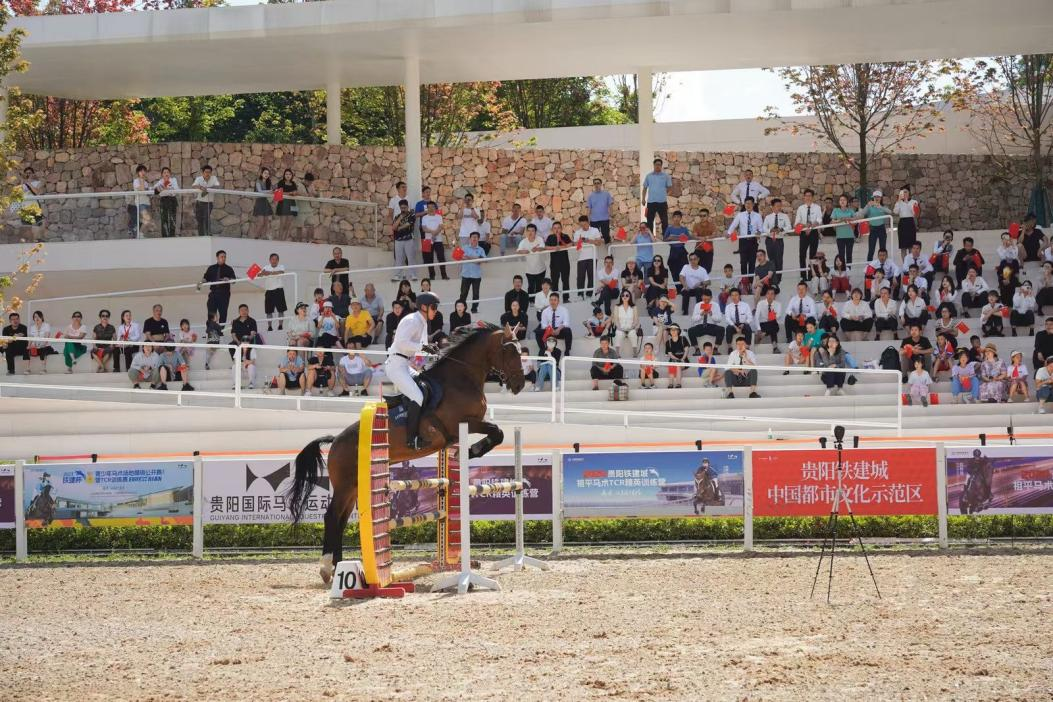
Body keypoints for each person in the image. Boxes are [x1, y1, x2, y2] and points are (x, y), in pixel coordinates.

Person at [384, 291, 441, 449]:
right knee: (417, 396)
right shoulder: (412, 320)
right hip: (396, 366)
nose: (436, 310)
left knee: (426, 387)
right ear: (423, 307)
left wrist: (432, 357)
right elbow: (402, 343)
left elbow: (419, 353)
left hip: (405, 365)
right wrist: (424, 347)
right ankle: (412, 439)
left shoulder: (422, 323)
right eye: (434, 307)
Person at [727, 197, 764, 275]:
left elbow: (761, 229)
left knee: (752, 262)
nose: (748, 205)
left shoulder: (758, 216)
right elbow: (734, 225)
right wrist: (729, 233)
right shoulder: (740, 215)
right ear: (744, 204)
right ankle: (744, 282)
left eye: (750, 203)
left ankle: (750, 282)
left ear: (753, 204)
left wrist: (759, 232)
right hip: (743, 241)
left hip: (753, 241)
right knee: (743, 262)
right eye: (746, 203)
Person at [200, 250, 236, 330]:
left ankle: (221, 329)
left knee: (223, 312)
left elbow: (234, 281)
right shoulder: (211, 268)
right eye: (222, 257)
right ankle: (211, 329)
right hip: (213, 293)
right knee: (211, 311)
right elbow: (206, 277)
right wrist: (203, 281)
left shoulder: (229, 269)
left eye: (225, 257)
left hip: (224, 294)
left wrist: (229, 279)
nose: (223, 258)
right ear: (217, 257)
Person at [857, 190, 892, 261]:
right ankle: (869, 266)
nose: (876, 198)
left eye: (878, 197)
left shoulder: (883, 206)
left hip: (882, 228)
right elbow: (861, 214)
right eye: (875, 196)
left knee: (883, 249)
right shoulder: (869, 206)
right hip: (873, 229)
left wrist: (879, 207)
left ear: (881, 198)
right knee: (871, 249)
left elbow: (890, 212)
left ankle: (884, 265)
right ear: (873, 197)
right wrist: (867, 205)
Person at [795, 189, 823, 276]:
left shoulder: (817, 207)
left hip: (814, 232)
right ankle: (803, 275)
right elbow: (797, 222)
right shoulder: (800, 208)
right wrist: (805, 226)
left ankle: (812, 274)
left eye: (810, 196)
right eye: (806, 196)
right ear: (804, 197)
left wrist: (810, 226)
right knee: (802, 255)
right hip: (803, 233)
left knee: (813, 254)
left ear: (813, 197)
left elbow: (819, 220)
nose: (808, 198)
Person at [573, 216, 603, 298]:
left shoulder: (595, 230)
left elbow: (599, 243)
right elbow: (575, 245)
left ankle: (589, 295)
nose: (583, 227)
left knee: (591, 276)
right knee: (580, 277)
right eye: (581, 225)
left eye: (584, 225)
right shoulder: (577, 232)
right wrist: (580, 241)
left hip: (593, 257)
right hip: (581, 257)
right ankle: (580, 295)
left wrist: (587, 240)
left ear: (588, 222)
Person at [257, 252, 288, 332]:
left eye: (276, 259)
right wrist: (264, 273)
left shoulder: (281, 266)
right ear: (270, 260)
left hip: (279, 290)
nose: (274, 261)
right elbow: (259, 274)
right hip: (269, 291)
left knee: (281, 310)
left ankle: (280, 325)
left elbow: (281, 272)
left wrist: (268, 273)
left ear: (278, 260)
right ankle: (269, 326)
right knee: (268, 310)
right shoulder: (266, 267)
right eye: (272, 259)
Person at [419, 201, 448, 281]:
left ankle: (444, 275)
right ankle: (432, 275)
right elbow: (424, 228)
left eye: (432, 207)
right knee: (429, 259)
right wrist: (433, 233)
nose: (431, 208)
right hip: (428, 240)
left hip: (438, 240)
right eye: (429, 207)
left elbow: (440, 226)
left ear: (435, 208)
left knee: (441, 258)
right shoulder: (424, 217)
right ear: (427, 208)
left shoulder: (439, 217)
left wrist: (435, 234)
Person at [642, 157, 672, 235]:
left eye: (659, 165)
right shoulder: (648, 176)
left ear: (661, 166)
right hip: (651, 202)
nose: (657, 166)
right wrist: (643, 199)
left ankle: (665, 236)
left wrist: (665, 194)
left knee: (664, 220)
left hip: (662, 202)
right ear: (653, 165)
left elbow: (669, 187)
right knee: (649, 220)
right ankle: (650, 236)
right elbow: (644, 188)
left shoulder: (666, 176)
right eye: (656, 165)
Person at [458, 231, 487, 313]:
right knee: (463, 294)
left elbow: (482, 261)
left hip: (476, 276)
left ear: (478, 239)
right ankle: (462, 309)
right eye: (473, 237)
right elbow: (460, 257)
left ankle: (474, 309)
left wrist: (469, 257)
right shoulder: (464, 248)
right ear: (470, 239)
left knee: (476, 294)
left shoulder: (481, 249)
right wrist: (476, 258)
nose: (474, 238)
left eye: (476, 237)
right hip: (465, 275)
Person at [516, 224, 549, 296]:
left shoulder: (539, 239)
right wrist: (523, 251)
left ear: (535, 232)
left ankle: (538, 302)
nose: (530, 233)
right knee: (531, 287)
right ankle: (531, 301)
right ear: (526, 232)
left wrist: (537, 249)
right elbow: (518, 251)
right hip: (529, 270)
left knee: (539, 287)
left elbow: (543, 247)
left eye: (532, 231)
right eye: (528, 231)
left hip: (541, 269)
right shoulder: (523, 241)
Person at [546, 221, 573, 302]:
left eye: (558, 228)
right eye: (555, 228)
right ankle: (555, 299)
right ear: (552, 229)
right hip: (554, 264)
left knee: (565, 281)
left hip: (565, 263)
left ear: (561, 228)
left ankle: (566, 298)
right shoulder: (550, 237)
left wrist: (562, 246)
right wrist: (554, 248)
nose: (557, 230)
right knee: (554, 282)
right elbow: (546, 247)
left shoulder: (565, 236)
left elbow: (571, 244)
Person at [762, 198, 789, 276]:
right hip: (770, 240)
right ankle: (772, 276)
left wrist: (781, 229)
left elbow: (789, 226)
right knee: (771, 259)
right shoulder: (768, 217)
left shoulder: (784, 216)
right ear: (772, 207)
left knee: (779, 259)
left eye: (780, 206)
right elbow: (764, 228)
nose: (779, 207)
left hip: (779, 240)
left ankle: (779, 277)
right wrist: (770, 230)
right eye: (777, 206)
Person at [392, 199, 418, 282]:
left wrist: (399, 228)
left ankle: (413, 275)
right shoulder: (397, 216)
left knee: (411, 258)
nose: (403, 209)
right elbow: (393, 227)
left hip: (409, 239)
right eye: (401, 208)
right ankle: (398, 275)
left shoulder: (412, 214)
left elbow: (408, 224)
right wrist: (400, 218)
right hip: (398, 240)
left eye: (404, 207)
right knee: (399, 258)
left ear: (407, 207)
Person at [723, 288, 753, 354]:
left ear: (739, 296)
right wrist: (735, 327)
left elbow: (750, 317)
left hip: (743, 324)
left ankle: (747, 347)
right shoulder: (728, 307)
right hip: (733, 324)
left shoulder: (745, 305)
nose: (734, 297)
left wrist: (743, 324)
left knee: (748, 328)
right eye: (732, 295)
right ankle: (729, 347)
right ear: (730, 296)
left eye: (736, 295)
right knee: (728, 328)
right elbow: (727, 319)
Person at [192, 164, 219, 236]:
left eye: (209, 172)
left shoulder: (214, 178)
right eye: (206, 172)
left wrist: (208, 189)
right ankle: (201, 236)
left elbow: (217, 186)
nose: (208, 174)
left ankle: (208, 235)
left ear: (211, 173)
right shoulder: (199, 178)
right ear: (202, 172)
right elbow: (194, 186)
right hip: (199, 203)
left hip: (208, 203)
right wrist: (200, 187)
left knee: (206, 219)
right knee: (199, 220)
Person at [753, 286, 781, 352]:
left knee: (774, 325)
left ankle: (763, 334)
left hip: (772, 322)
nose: (770, 296)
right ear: (766, 295)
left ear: (774, 296)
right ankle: (775, 347)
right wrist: (759, 329)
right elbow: (756, 317)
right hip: (763, 324)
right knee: (774, 327)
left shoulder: (778, 304)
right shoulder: (760, 303)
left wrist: (771, 317)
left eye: (772, 294)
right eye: (768, 293)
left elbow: (778, 315)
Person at [893, 186, 919, 256]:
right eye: (902, 192)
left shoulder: (914, 202)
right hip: (902, 223)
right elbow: (895, 211)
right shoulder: (899, 202)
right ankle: (905, 265)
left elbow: (915, 213)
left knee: (911, 246)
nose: (904, 194)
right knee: (903, 247)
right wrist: (898, 201)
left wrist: (907, 203)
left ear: (909, 193)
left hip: (910, 222)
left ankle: (911, 264)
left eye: (906, 192)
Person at [586, 178, 615, 244]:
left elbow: (610, 206)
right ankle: (595, 252)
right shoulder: (590, 196)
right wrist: (588, 219)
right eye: (595, 183)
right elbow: (589, 208)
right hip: (594, 220)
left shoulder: (606, 194)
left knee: (606, 236)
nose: (596, 185)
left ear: (601, 184)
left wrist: (611, 217)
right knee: (593, 237)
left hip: (605, 219)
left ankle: (608, 252)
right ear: (593, 185)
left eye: (598, 183)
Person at [831, 193, 857, 265]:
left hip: (850, 236)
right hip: (840, 237)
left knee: (849, 255)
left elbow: (855, 220)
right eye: (841, 200)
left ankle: (848, 272)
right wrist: (840, 220)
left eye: (844, 200)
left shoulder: (851, 210)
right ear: (839, 202)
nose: (842, 201)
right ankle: (842, 273)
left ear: (847, 202)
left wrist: (848, 218)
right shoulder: (835, 210)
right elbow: (832, 221)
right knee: (841, 255)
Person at [153, 166, 179, 238]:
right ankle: (165, 237)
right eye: (164, 172)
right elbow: (155, 191)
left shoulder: (173, 180)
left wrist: (163, 189)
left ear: (170, 174)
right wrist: (164, 186)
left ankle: (172, 236)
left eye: (168, 172)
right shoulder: (160, 181)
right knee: (164, 219)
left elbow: (175, 191)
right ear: (162, 174)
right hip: (163, 200)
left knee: (172, 219)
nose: (166, 174)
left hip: (172, 200)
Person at [274, 169, 298, 241]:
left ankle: (284, 240)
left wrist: (294, 193)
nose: (288, 175)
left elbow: (296, 192)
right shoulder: (281, 182)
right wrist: (289, 193)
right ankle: (280, 240)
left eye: (289, 174)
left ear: (292, 175)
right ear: (284, 175)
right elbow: (278, 193)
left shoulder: (293, 183)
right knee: (282, 224)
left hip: (292, 204)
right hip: (283, 204)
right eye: (286, 174)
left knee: (288, 224)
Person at [129, 164, 152, 238]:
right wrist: (142, 180)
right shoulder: (136, 181)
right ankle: (139, 234)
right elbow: (142, 189)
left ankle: (140, 234)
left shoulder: (146, 183)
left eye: (144, 171)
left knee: (146, 220)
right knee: (146, 218)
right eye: (141, 171)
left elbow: (148, 193)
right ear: (138, 172)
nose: (143, 172)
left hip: (147, 202)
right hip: (140, 203)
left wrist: (150, 192)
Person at [251, 166, 274, 239]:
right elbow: (260, 191)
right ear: (261, 174)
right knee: (261, 222)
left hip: (265, 202)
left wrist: (273, 191)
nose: (266, 174)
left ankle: (263, 238)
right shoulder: (258, 181)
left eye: (268, 173)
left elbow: (270, 193)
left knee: (266, 223)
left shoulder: (268, 182)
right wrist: (270, 191)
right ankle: (256, 238)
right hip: (259, 202)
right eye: (265, 173)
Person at [692, 208, 717, 274]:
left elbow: (714, 235)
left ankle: (703, 284)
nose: (702, 217)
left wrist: (707, 237)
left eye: (704, 215)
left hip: (708, 250)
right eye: (701, 216)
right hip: (698, 250)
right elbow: (694, 236)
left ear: (708, 216)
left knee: (707, 270)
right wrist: (701, 238)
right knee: (695, 269)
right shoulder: (696, 225)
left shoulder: (712, 225)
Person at [665, 323, 688, 388]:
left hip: (683, 360)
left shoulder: (683, 339)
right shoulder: (668, 342)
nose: (673, 331)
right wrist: (676, 360)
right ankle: (670, 383)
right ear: (670, 331)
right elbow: (670, 354)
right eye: (671, 330)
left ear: (678, 331)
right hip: (673, 360)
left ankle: (678, 383)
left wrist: (682, 359)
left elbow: (686, 350)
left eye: (675, 330)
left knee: (678, 365)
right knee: (672, 365)